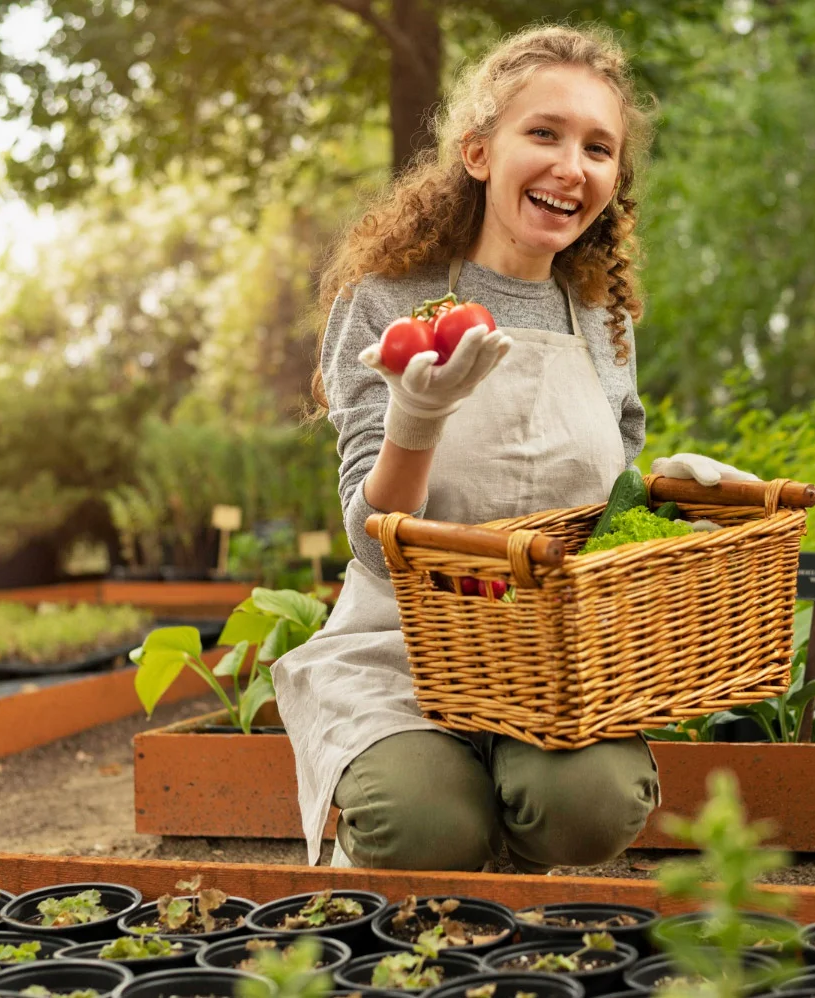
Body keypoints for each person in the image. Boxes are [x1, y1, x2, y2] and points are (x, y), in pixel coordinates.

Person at [273, 23, 760, 872]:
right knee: (422, 827)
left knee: (591, 807)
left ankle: (509, 857)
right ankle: (435, 824)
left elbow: (598, 515)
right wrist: (415, 420)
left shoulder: (602, 319)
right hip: (404, 646)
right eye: (544, 133)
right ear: (477, 152)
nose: (573, 166)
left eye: (599, 147)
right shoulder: (388, 300)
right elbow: (372, 546)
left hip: (553, 654)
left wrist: (670, 497)